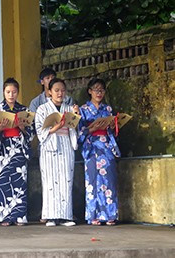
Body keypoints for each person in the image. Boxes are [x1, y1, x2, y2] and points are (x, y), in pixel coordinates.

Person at [0, 78, 34, 226]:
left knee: (19, 181)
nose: (11, 95)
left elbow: (31, 133)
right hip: (4, 149)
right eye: (8, 92)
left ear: (18, 93)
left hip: (18, 147)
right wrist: (0, 130)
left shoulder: (24, 110)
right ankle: (4, 216)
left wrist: (22, 128)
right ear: (3, 92)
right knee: (3, 181)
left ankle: (19, 215)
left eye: (14, 92)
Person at [35, 78, 79, 227]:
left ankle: (66, 216)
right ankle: (51, 216)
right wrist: (55, 127)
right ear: (49, 92)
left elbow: (74, 128)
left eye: (62, 90)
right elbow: (40, 132)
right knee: (50, 182)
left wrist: (76, 116)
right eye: (56, 90)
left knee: (66, 180)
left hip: (66, 143)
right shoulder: (42, 109)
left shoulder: (69, 108)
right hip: (50, 147)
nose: (60, 93)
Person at [78, 79, 120, 226]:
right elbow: (79, 131)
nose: (99, 93)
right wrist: (91, 129)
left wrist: (113, 126)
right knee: (92, 181)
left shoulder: (107, 109)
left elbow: (113, 131)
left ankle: (110, 214)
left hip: (106, 146)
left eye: (102, 90)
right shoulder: (83, 109)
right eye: (96, 89)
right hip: (91, 147)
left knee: (109, 180)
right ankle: (93, 215)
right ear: (89, 91)